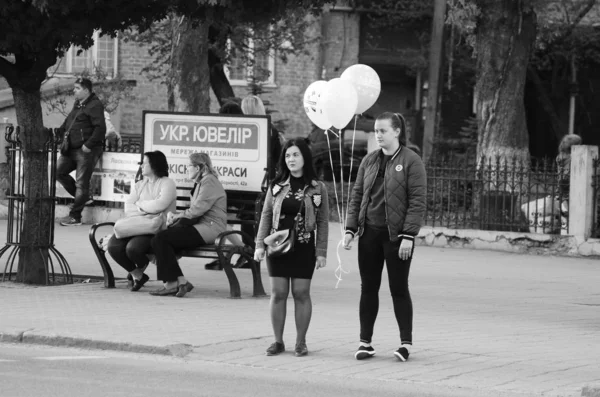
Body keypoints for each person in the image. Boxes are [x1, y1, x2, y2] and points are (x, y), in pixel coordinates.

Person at [343, 112, 426, 362]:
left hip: (396, 237)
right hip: (369, 234)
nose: (378, 135)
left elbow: (418, 201)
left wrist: (408, 236)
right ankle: (365, 342)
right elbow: (357, 196)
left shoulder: (412, 161)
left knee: (398, 288)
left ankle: (405, 344)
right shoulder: (369, 161)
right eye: (376, 131)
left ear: (397, 131)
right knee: (368, 288)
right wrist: (350, 229)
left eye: (383, 130)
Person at [254, 137, 329, 357]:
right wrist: (260, 245)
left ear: (305, 157)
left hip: (304, 246)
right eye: (287, 155)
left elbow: (323, 221)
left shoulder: (317, 188)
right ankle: (278, 342)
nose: (291, 159)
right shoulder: (276, 186)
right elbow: (266, 215)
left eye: (295, 154)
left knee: (301, 292)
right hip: (277, 246)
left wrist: (321, 252)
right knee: (278, 293)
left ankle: (301, 342)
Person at [149, 152, 227, 297]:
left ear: (198, 168)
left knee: (161, 239)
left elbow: (197, 209)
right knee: (160, 239)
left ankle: (173, 284)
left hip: (210, 229)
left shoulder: (209, 181)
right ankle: (180, 281)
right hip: (202, 227)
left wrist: (175, 217)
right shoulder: (202, 181)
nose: (186, 169)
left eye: (188, 166)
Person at [107, 151, 177, 292]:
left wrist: (140, 204)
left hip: (155, 227)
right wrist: (147, 209)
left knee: (133, 248)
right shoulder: (140, 184)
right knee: (113, 246)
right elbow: (128, 207)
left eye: (145, 162)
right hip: (136, 225)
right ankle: (138, 274)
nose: (142, 165)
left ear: (155, 164)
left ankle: (142, 263)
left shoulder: (167, 183)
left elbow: (160, 205)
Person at [57, 77, 106, 226]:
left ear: (86, 90)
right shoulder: (78, 103)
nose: (74, 91)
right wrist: (59, 132)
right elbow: (69, 121)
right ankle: (84, 198)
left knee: (81, 183)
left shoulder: (95, 105)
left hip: (86, 150)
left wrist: (89, 145)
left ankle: (75, 217)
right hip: (71, 148)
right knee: (58, 172)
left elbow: (100, 128)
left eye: (77, 88)